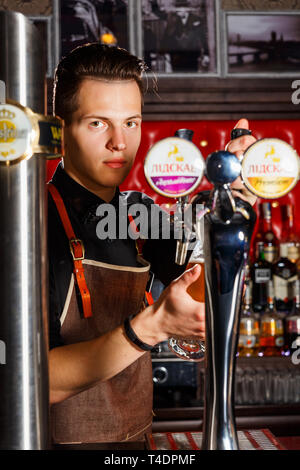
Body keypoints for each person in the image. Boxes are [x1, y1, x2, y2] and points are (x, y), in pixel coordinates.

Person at [48, 42, 256, 445]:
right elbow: (31, 381)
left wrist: (228, 211)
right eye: (97, 123)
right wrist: (152, 325)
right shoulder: (29, 225)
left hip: (136, 446)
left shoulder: (139, 214)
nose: (119, 143)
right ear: (59, 131)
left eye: (131, 122)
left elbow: (201, 305)